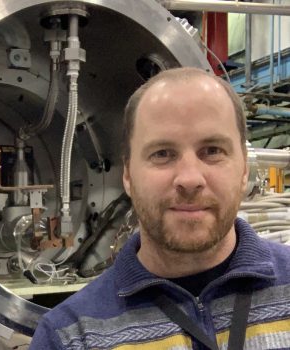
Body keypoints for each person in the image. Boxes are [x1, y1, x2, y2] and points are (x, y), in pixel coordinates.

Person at [29, 67, 290, 350]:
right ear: (127, 175)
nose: (190, 179)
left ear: (244, 170)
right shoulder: (70, 337)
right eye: (162, 154)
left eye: (212, 151)